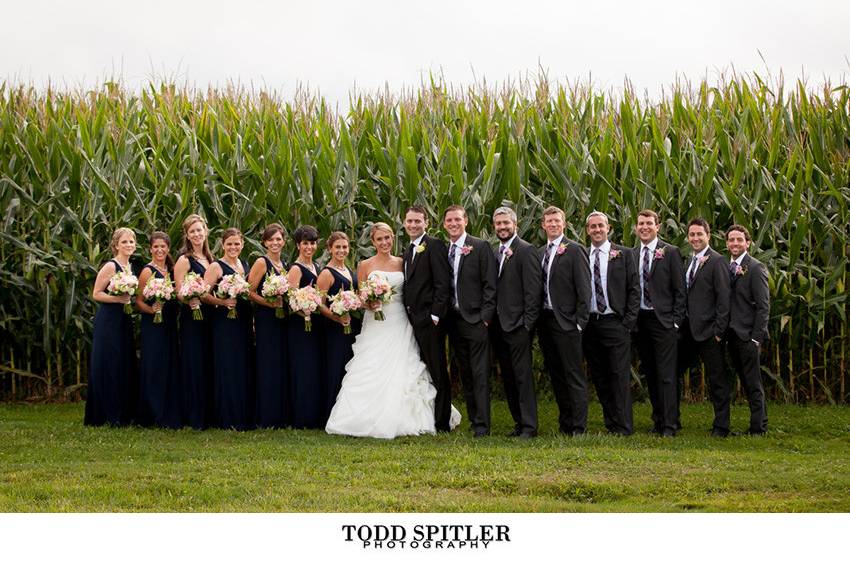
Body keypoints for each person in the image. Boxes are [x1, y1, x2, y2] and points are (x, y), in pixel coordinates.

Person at [326, 222, 461, 438]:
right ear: (372, 242)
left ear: (393, 238)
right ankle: (362, 417)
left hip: (400, 320)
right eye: (379, 239)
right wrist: (370, 302)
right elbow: (361, 296)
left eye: (387, 238)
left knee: (405, 363)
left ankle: (411, 415)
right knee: (371, 365)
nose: (384, 243)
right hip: (376, 322)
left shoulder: (402, 261)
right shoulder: (364, 265)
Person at [582, 212, 640, 435]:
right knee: (600, 374)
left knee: (619, 374)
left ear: (609, 228)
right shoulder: (583, 254)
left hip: (615, 322)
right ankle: (610, 423)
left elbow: (635, 289)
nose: (597, 230)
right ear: (587, 231)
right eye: (592, 227)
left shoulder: (623, 254)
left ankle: (624, 425)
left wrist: (628, 322)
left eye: (600, 226)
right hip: (591, 323)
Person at [442, 205, 498, 437]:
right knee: (465, 373)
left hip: (475, 320)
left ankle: (483, 425)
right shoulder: (445, 249)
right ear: (444, 224)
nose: (453, 224)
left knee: (479, 373)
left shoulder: (480, 246)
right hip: (453, 321)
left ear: (466, 221)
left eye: (457, 219)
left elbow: (490, 284)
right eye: (449, 221)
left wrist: (485, 318)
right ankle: (475, 420)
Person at [536, 206, 592, 436]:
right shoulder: (540, 253)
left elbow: (585, 290)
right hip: (546, 321)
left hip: (567, 323)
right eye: (548, 221)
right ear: (543, 225)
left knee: (573, 375)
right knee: (557, 374)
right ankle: (565, 423)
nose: (552, 224)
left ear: (564, 224)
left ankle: (579, 427)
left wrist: (579, 322)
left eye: (556, 221)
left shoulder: (575, 250)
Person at [632, 209, 686, 437]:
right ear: (636, 228)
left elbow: (680, 290)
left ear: (658, 226)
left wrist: (675, 322)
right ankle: (658, 419)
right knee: (651, 372)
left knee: (666, 374)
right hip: (640, 320)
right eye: (641, 223)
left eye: (649, 223)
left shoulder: (670, 252)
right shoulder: (632, 254)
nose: (644, 227)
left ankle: (670, 424)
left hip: (662, 320)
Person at [490, 207, 542, 439]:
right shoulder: (495, 251)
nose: (502, 227)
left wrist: (527, 324)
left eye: (506, 223)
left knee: (522, 376)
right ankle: (518, 422)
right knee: (509, 376)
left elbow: (533, 291)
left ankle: (530, 426)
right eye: (498, 224)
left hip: (519, 325)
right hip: (499, 326)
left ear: (515, 224)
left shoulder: (526, 250)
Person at [401, 206, 453, 431]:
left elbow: (443, 283)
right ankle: (428, 414)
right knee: (424, 368)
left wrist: (435, 315)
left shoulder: (434, 245)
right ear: (404, 223)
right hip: (412, 320)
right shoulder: (408, 249)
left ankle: (442, 421)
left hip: (429, 320)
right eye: (409, 221)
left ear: (426, 223)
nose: (413, 225)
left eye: (417, 221)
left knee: (438, 369)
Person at [678, 218, 730, 436]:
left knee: (717, 379)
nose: (695, 238)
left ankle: (721, 426)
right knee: (673, 373)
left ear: (708, 235)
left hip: (709, 332)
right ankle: (673, 421)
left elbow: (724, 298)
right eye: (692, 235)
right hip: (688, 330)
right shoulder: (689, 260)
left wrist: (719, 331)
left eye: (699, 234)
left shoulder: (717, 261)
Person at [85, 227, 138, 426]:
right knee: (108, 363)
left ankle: (123, 411)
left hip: (124, 319)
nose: (129, 245)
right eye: (124, 242)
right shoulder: (111, 266)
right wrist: (118, 299)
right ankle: (106, 413)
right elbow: (96, 294)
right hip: (109, 319)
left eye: (132, 242)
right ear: (116, 245)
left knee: (123, 363)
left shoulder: (129, 267)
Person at [204, 228, 254, 430]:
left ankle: (242, 414)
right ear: (222, 245)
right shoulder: (216, 266)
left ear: (242, 244)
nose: (233, 247)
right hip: (225, 321)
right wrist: (222, 302)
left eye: (237, 244)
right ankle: (227, 416)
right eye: (229, 244)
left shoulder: (244, 265)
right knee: (228, 364)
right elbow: (203, 294)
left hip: (242, 319)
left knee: (242, 364)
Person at [725, 224, 769, 435]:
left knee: (753, 382)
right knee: (743, 379)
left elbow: (763, 306)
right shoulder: (727, 267)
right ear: (727, 244)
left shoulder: (756, 267)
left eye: (739, 240)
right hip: (732, 334)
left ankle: (758, 427)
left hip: (748, 336)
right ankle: (755, 424)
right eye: (731, 240)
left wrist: (756, 339)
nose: (735, 243)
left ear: (748, 243)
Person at [135, 231, 181, 429]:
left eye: (163, 247)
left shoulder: (171, 269)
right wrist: (152, 310)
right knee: (154, 366)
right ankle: (152, 413)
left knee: (169, 365)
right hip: (153, 325)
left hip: (169, 324)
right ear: (150, 249)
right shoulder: (147, 271)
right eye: (156, 247)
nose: (160, 250)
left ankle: (169, 411)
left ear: (168, 248)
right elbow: (138, 301)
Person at [173, 214, 215, 429]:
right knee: (194, 362)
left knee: (208, 361)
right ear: (187, 236)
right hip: (193, 316)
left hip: (210, 317)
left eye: (200, 230)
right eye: (193, 232)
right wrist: (190, 296)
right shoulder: (184, 260)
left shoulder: (210, 259)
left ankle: (208, 413)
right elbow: (178, 290)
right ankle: (194, 415)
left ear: (205, 231)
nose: (197, 234)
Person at [248, 223, 290, 429]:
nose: (275, 243)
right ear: (264, 242)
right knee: (268, 365)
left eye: (279, 239)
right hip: (266, 319)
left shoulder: (284, 265)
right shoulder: (261, 262)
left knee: (280, 364)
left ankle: (280, 413)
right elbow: (250, 291)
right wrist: (270, 303)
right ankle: (267, 416)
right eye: (271, 239)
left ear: (284, 241)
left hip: (281, 320)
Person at [317, 231, 359, 426]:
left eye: (344, 247)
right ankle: (330, 413)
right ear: (330, 249)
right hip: (334, 329)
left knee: (347, 367)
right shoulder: (326, 273)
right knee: (335, 367)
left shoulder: (348, 270)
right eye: (337, 247)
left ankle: (346, 413)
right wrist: (337, 317)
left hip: (350, 327)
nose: (341, 250)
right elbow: (319, 304)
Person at [286, 225, 324, 429]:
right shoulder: (295, 268)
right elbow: (290, 300)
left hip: (314, 325)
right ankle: (302, 417)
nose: (309, 247)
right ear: (298, 245)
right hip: (300, 326)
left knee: (313, 369)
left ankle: (314, 414)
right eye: (305, 243)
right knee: (303, 368)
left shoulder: (316, 266)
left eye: (312, 243)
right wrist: (304, 311)